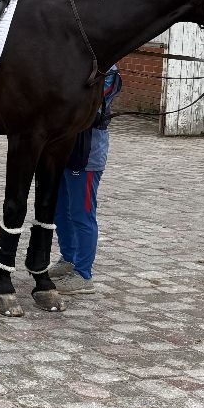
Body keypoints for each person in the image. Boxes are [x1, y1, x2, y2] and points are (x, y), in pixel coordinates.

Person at [51, 66, 123, 293]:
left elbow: (85, 101)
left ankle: (83, 274)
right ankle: (68, 258)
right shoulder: (77, 60)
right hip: (64, 151)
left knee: (82, 215)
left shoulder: (109, 72)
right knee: (60, 212)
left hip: (87, 155)